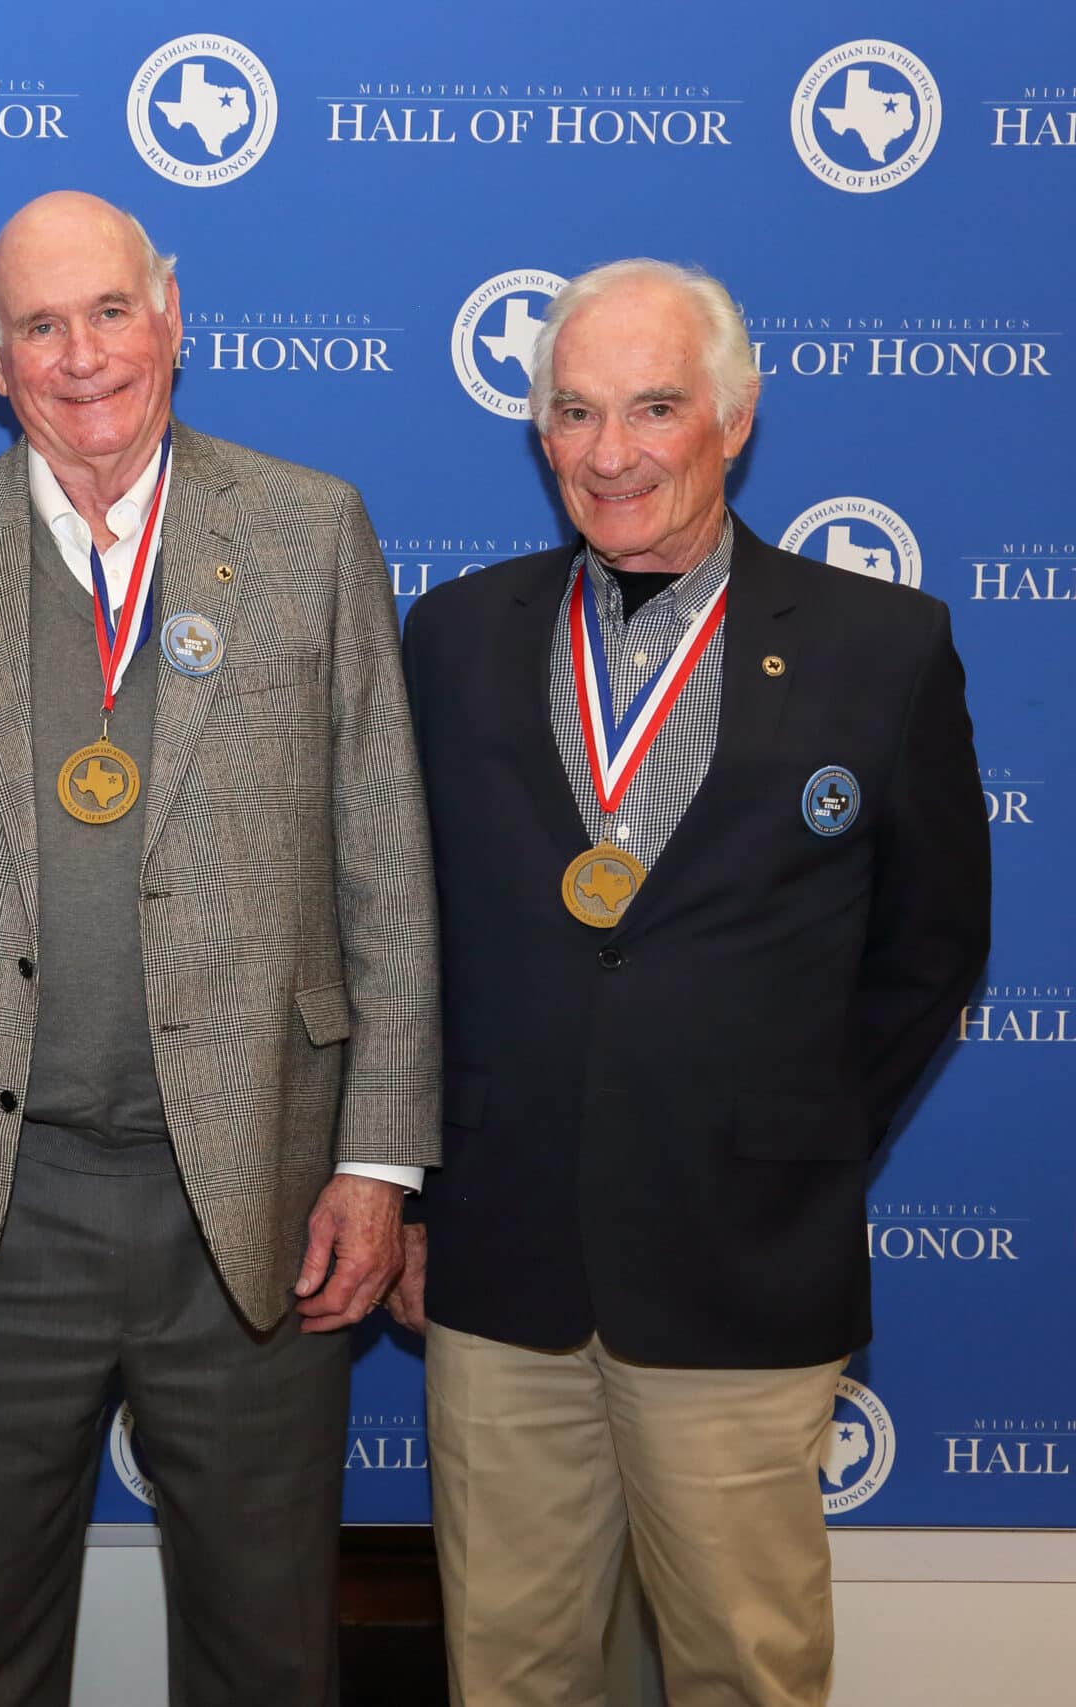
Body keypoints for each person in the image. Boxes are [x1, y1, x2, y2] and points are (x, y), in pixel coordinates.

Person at [0, 189, 439, 1705]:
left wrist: (379, 1164)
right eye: (40, 324)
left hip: (258, 1204)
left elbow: (385, 865)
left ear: (172, 317)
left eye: (108, 312)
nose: (80, 355)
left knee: (268, 1650)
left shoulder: (306, 530)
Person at [394, 258, 990, 1707]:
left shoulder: (880, 647)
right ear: (539, 434)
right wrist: (412, 1188)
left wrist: (786, 1126)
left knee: (744, 1670)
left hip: (742, 1262)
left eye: (655, 407)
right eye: (577, 413)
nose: (613, 453)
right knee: (512, 1672)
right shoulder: (455, 638)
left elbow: (930, 949)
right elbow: (398, 936)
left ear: (733, 417)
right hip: (502, 1263)